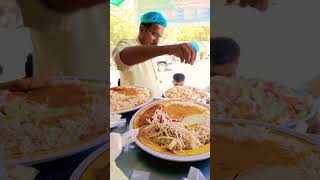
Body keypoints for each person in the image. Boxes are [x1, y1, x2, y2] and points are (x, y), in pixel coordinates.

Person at [112, 11, 197, 97]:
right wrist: (169, 49)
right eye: (154, 34)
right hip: (135, 107)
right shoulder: (127, 44)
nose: (156, 41)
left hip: (155, 103)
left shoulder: (151, 49)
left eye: (159, 37)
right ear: (142, 29)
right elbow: (124, 57)